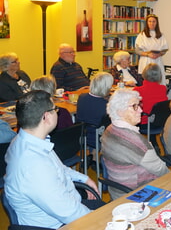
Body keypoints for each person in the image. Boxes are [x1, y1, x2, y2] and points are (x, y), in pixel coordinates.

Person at [4, 90, 103, 229]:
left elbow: (59, 168)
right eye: (55, 109)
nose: (57, 112)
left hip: (69, 205)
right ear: (46, 117)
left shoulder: (27, 141)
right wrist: (101, 220)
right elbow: (68, 212)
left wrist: (84, 178)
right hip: (58, 224)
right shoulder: (33, 164)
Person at [100, 89, 169, 200]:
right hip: (138, 194)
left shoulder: (109, 129)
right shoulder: (136, 143)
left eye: (139, 105)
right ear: (120, 111)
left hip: (117, 190)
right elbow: (162, 171)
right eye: (134, 106)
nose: (141, 110)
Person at [76, 72, 113, 148]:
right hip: (99, 136)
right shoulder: (106, 104)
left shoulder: (81, 97)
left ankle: (93, 154)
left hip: (82, 133)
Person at [135, 14, 168, 85]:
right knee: (146, 81)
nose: (152, 23)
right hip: (146, 60)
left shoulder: (161, 35)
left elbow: (164, 50)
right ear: (147, 22)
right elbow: (137, 51)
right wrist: (148, 54)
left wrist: (159, 54)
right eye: (150, 21)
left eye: (154, 21)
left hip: (157, 60)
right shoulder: (142, 35)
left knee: (158, 81)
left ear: (156, 23)